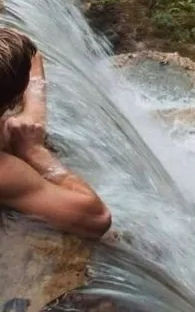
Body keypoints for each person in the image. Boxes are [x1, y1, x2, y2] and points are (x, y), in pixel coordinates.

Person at [0, 27, 112, 239]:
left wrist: (33, 86)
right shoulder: (6, 171)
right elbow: (97, 218)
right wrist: (34, 151)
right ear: (14, 99)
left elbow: (33, 61)